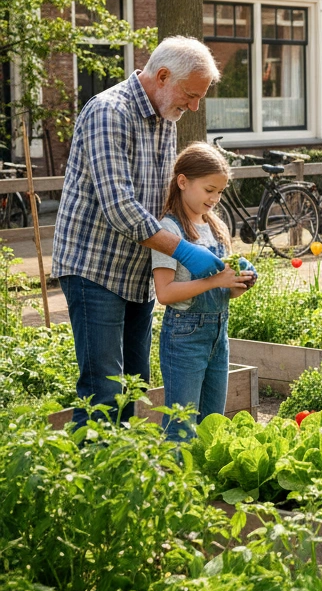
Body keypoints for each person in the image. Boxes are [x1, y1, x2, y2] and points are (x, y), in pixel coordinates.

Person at [53, 36, 226, 428]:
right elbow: (120, 208)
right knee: (103, 390)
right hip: (93, 267)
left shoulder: (166, 117)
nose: (194, 106)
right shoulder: (108, 113)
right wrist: (184, 250)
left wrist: (209, 238)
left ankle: (122, 471)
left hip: (137, 271)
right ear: (163, 76)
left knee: (135, 384)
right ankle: (91, 481)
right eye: (191, 94)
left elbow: (169, 194)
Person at [152, 143, 254, 440]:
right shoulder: (168, 230)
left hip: (218, 331)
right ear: (183, 182)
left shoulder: (215, 225)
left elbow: (225, 289)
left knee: (213, 424)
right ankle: (177, 483)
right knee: (180, 427)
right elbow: (165, 293)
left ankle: (205, 485)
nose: (215, 198)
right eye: (209, 190)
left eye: (220, 192)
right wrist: (215, 281)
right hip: (184, 335)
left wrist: (240, 282)